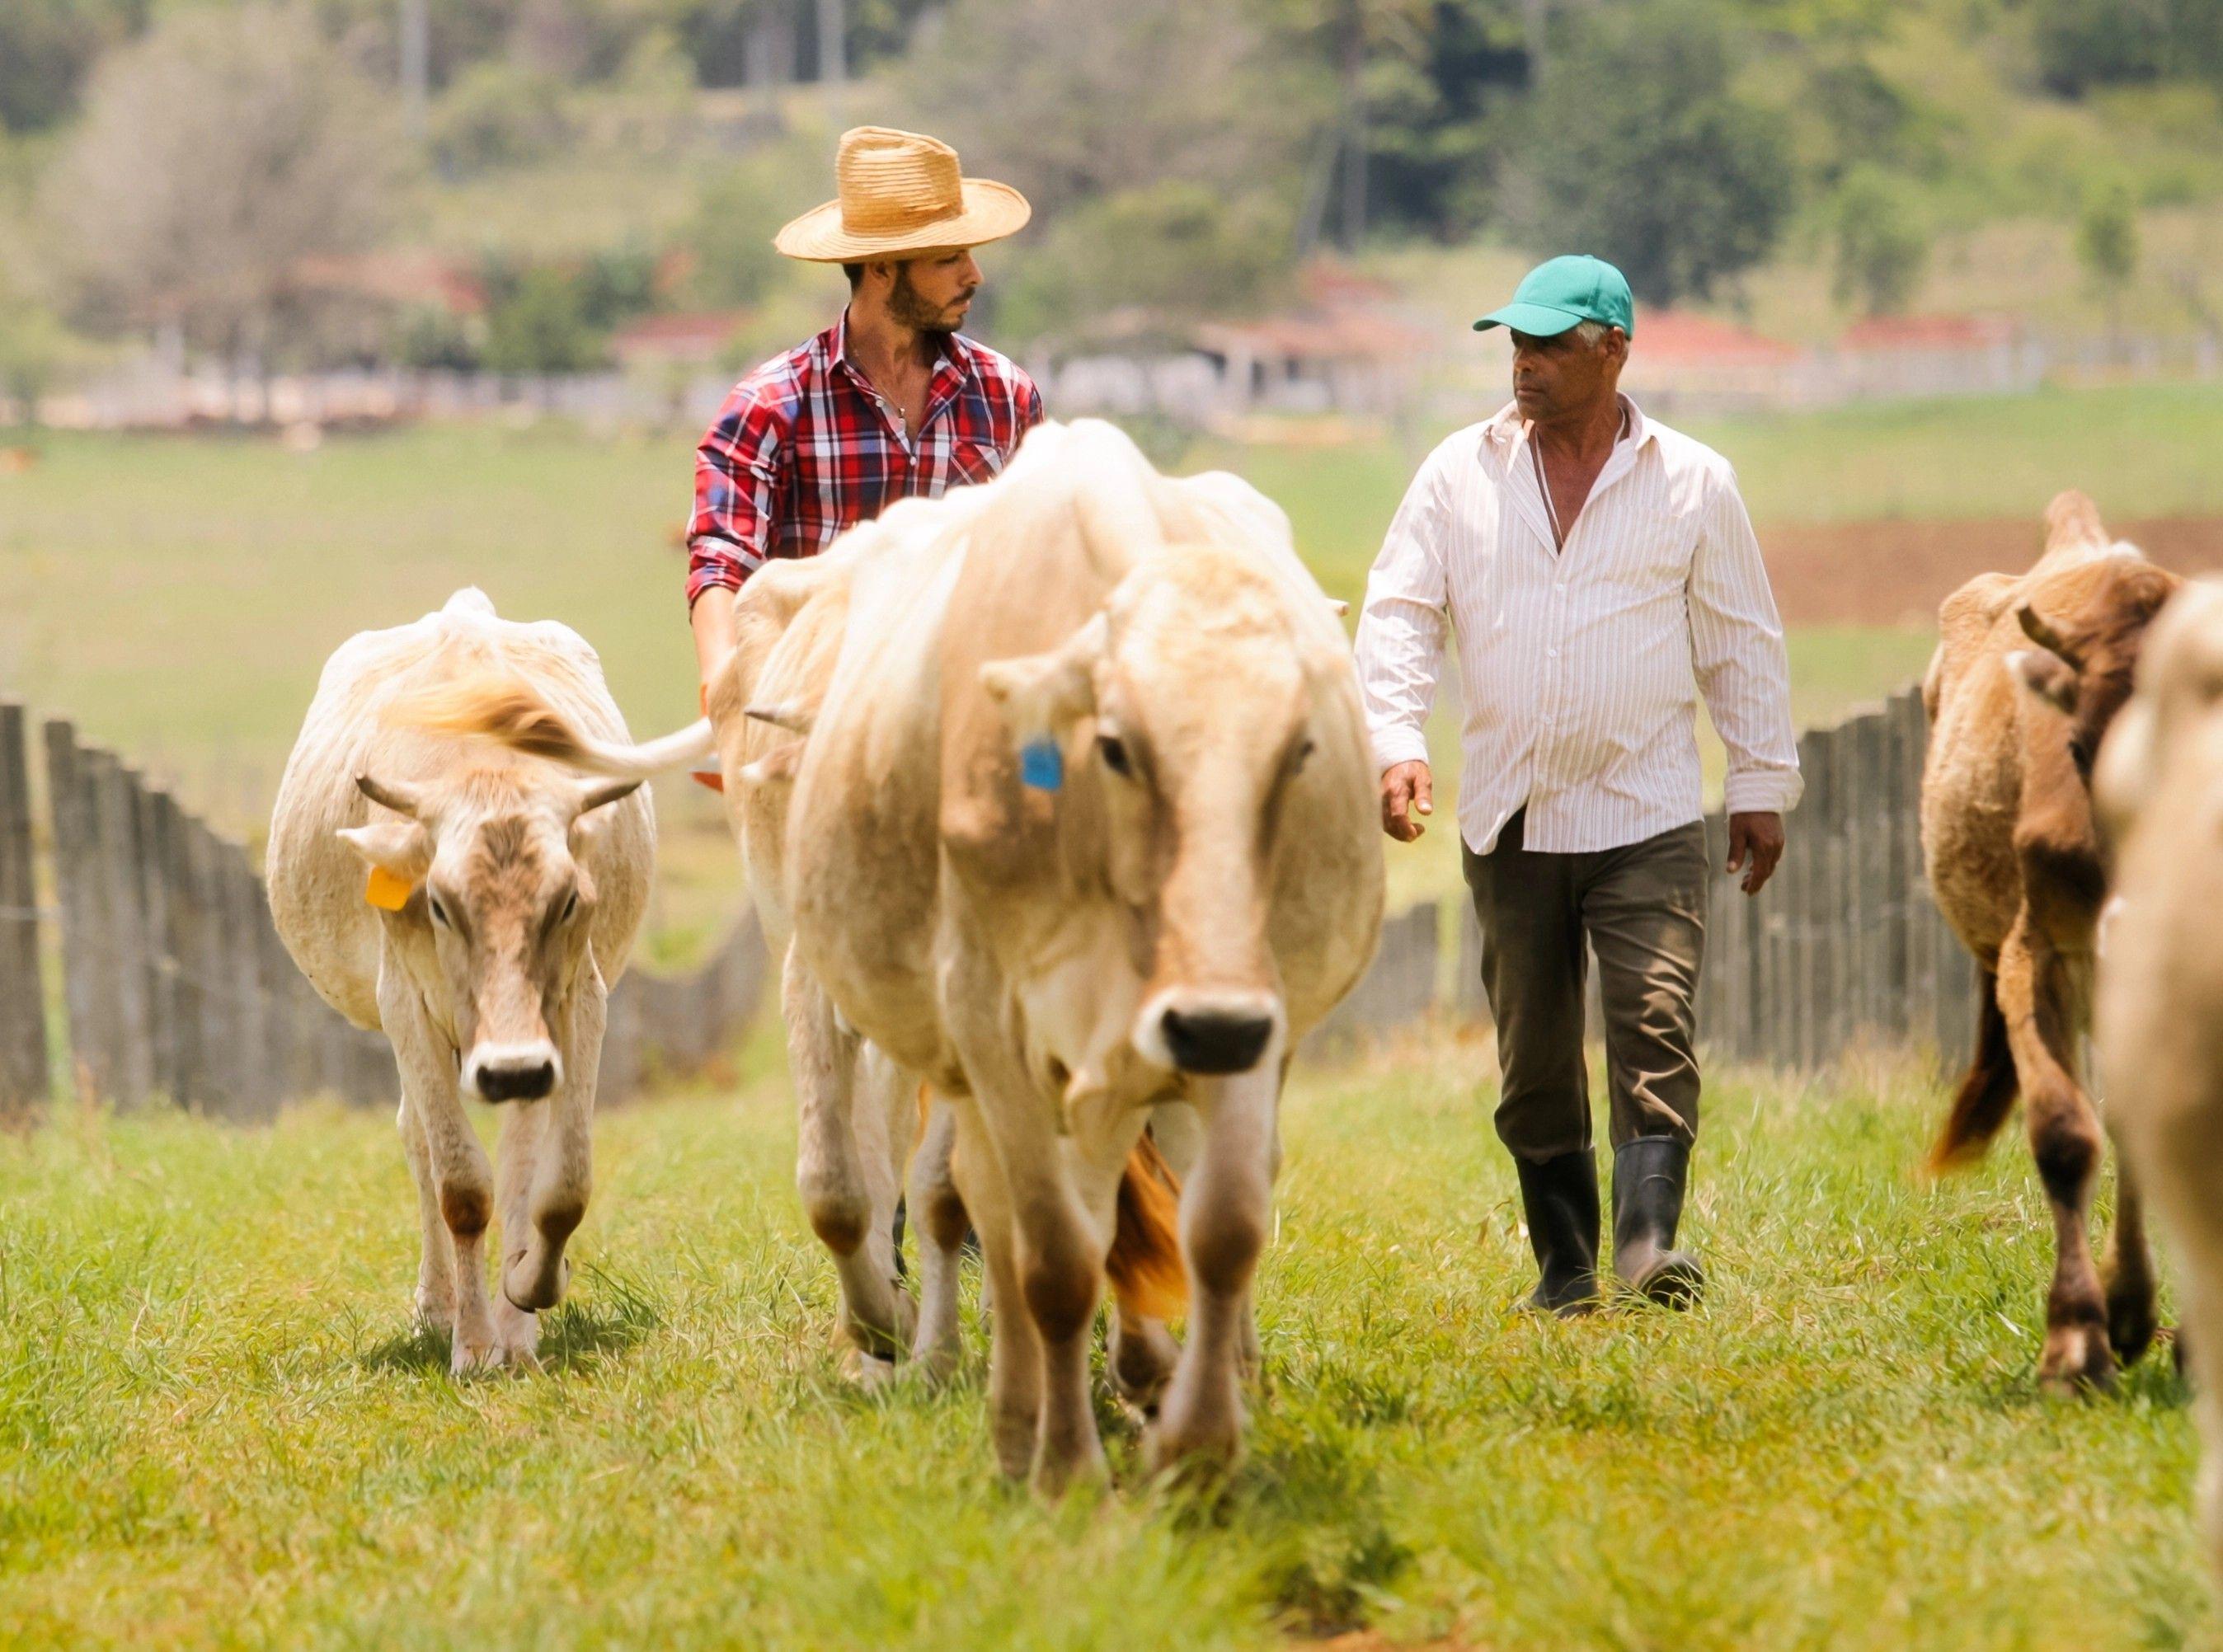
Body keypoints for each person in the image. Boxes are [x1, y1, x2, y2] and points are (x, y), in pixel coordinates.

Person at [1352, 255, 1802, 1316]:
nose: (1525, 365)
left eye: (1550, 345)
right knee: (1535, 1057)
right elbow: (1400, 613)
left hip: (1642, 807)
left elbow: (1739, 639)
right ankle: (1564, 1273)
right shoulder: (1456, 475)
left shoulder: (1692, 481)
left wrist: (1757, 782)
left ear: (1613, 349)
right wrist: (1394, 738)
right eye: (1515, 344)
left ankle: (1648, 1251)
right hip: (1508, 813)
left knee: (1653, 1020)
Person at [684, 125, 1044, 698]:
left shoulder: (1007, 396)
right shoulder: (769, 407)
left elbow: (1038, 561)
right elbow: (723, 558)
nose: (974, 275)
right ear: (881, 268)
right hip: (812, 709)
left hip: (963, 708)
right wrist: (721, 680)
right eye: (948, 257)